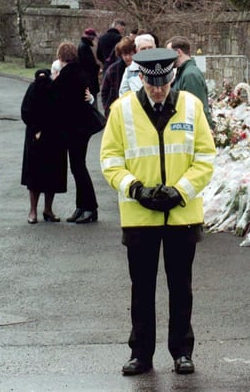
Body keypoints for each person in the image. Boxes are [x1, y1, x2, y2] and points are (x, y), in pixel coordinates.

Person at [100, 48, 216, 376]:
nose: (158, 90)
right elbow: (110, 159)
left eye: (163, 83)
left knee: (181, 287)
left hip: (181, 213)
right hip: (140, 214)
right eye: (152, 84)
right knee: (142, 288)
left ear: (172, 78)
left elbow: (206, 157)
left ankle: (182, 351)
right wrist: (135, 188)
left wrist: (180, 190)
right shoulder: (121, 110)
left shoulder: (191, 107)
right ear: (141, 78)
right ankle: (141, 353)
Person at [52, 42, 100, 224]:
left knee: (78, 168)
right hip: (82, 127)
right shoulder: (80, 71)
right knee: (78, 167)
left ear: (60, 57)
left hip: (75, 128)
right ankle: (82, 205)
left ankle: (90, 207)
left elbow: (56, 99)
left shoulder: (66, 75)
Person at [20, 66, 67, 224]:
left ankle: (38, 211)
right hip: (49, 136)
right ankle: (43, 210)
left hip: (41, 136)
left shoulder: (34, 88)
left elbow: (25, 112)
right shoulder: (53, 88)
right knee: (46, 175)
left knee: (38, 175)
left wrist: (36, 129)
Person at [165, 36, 213, 128]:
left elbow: (196, 109)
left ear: (178, 52)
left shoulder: (190, 75)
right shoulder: (184, 73)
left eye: (169, 53)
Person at [100, 36, 135, 117]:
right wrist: (107, 109)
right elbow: (104, 91)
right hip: (116, 111)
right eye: (125, 54)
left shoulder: (141, 68)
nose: (128, 57)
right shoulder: (112, 70)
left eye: (131, 54)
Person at [77, 28, 100, 100]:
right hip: (89, 80)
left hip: (87, 78)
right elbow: (89, 65)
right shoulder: (85, 47)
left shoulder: (83, 45)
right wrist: (97, 67)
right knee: (92, 99)